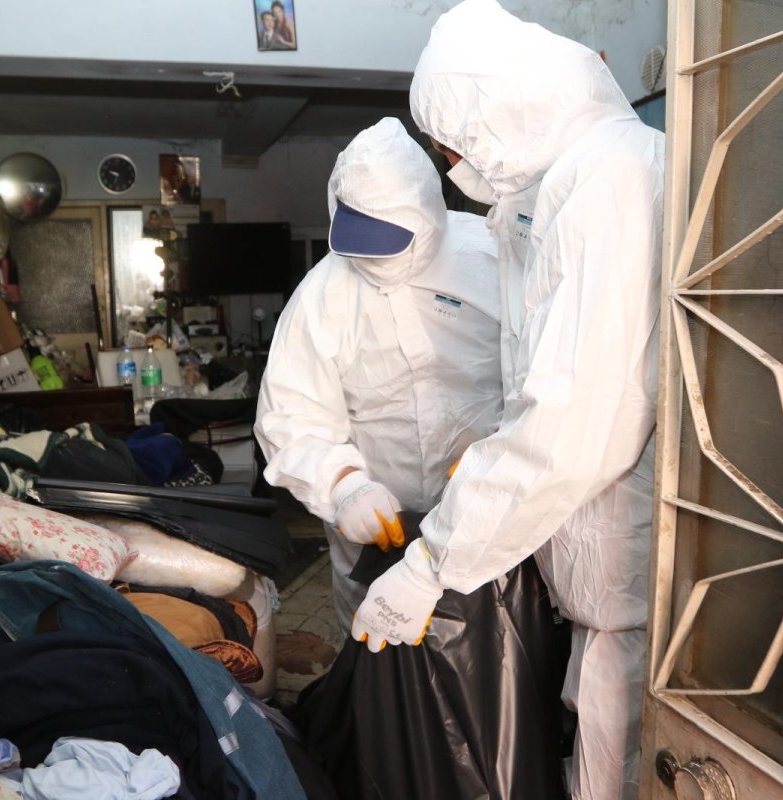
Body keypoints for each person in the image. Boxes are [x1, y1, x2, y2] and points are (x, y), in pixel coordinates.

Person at [350, 2, 665, 799]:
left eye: (455, 144)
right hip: (594, 577)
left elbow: (570, 424)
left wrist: (435, 561)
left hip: (625, 576)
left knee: (617, 764)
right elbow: (545, 379)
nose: (455, 165)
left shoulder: (604, 184)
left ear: (498, 111)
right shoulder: (565, 185)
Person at [255, 117, 503, 625]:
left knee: (493, 642)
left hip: (489, 511)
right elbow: (290, 414)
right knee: (377, 643)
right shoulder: (323, 292)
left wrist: (502, 450)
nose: (372, 253)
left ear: (427, 215)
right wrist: (343, 485)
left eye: (390, 237)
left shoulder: (491, 256)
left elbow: (544, 373)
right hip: (375, 526)